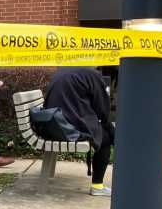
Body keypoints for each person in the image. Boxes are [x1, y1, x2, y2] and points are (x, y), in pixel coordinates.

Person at [44, 66, 114, 196]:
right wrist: (106, 125)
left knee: (108, 131)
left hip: (52, 123)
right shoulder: (93, 76)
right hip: (67, 127)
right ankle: (97, 186)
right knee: (106, 139)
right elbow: (102, 110)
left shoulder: (64, 70)